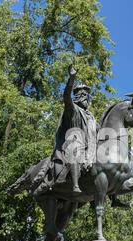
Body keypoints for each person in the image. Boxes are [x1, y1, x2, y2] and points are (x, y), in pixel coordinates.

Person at [52, 65, 97, 193]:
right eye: (84, 96)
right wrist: (72, 78)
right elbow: (66, 95)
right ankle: (75, 185)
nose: (87, 99)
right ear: (78, 98)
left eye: (87, 97)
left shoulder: (91, 117)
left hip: (91, 148)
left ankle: (111, 195)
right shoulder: (72, 110)